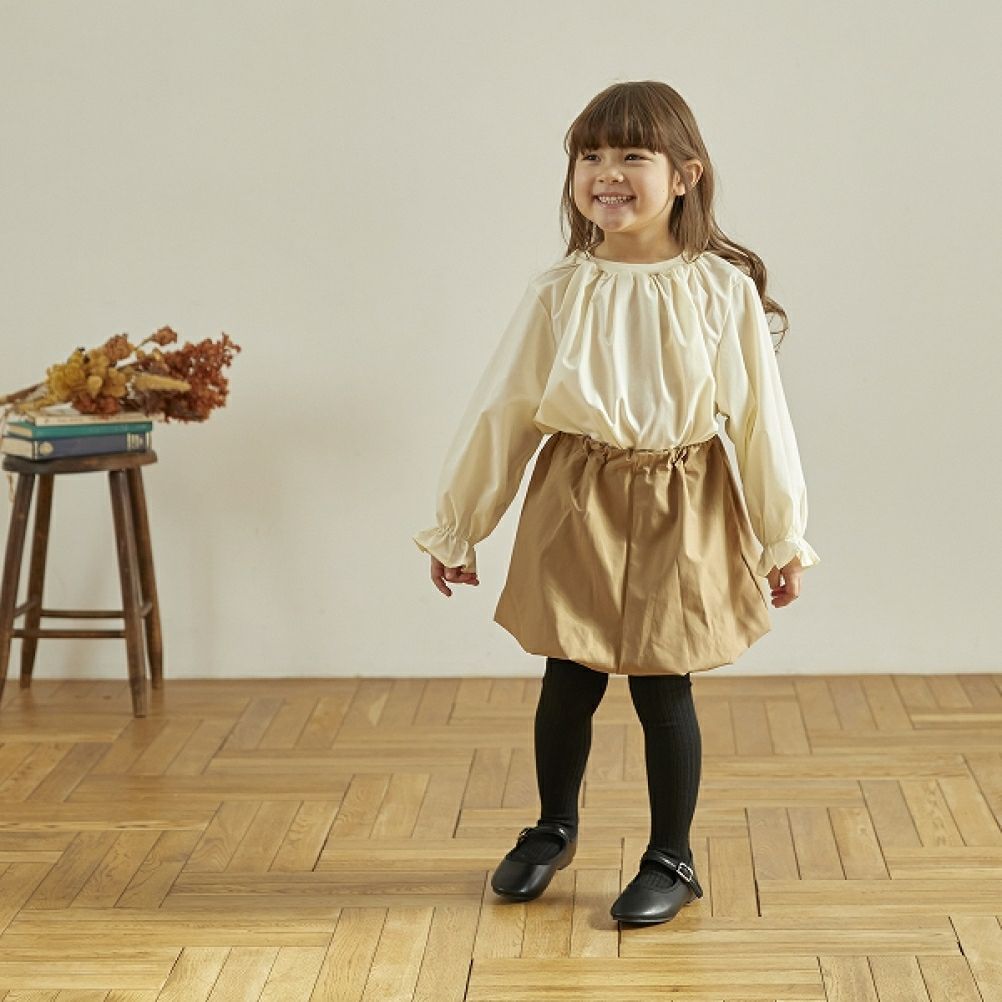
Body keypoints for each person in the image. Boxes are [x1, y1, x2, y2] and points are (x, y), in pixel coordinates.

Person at [413, 80, 820, 926]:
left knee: (664, 682)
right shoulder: (561, 290)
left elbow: (759, 420)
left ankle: (672, 857)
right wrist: (460, 522)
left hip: (684, 496)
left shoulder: (720, 290)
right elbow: (504, 409)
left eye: (632, 154)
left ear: (685, 175)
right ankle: (552, 827)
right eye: (590, 155)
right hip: (577, 492)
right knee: (569, 673)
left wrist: (783, 536)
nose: (607, 172)